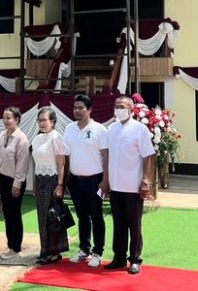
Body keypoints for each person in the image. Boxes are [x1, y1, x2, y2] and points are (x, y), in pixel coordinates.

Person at [103, 96, 156, 275]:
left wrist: (146, 181)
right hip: (116, 186)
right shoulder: (111, 129)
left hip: (133, 186)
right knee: (118, 224)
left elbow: (148, 155)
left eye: (123, 107)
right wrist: (106, 180)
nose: (119, 109)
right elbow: (108, 156)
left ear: (131, 110)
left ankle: (135, 259)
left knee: (134, 224)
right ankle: (118, 258)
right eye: (117, 106)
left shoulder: (139, 129)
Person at [63, 94, 109, 267]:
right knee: (82, 216)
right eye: (75, 107)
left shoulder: (99, 130)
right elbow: (66, 155)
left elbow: (106, 157)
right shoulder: (69, 128)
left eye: (81, 108)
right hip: (75, 180)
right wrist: (66, 178)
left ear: (90, 109)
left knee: (96, 216)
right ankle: (84, 249)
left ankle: (98, 252)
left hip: (95, 181)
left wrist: (106, 180)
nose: (77, 111)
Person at [31, 106, 69, 265]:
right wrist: (34, 182)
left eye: (44, 120)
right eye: (39, 120)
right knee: (42, 217)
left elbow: (62, 163)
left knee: (53, 217)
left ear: (52, 121)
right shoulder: (36, 138)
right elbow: (35, 162)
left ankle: (54, 252)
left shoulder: (57, 138)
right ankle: (45, 250)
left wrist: (60, 185)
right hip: (39, 179)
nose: (42, 123)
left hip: (53, 180)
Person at [0, 106, 30, 260]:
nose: (6, 121)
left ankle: (16, 247)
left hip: (15, 180)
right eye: (4, 118)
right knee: (7, 213)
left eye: (9, 118)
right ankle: (10, 245)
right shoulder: (2, 135)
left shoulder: (21, 139)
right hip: (3, 178)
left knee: (14, 213)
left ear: (16, 120)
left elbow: (22, 164)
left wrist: (17, 184)